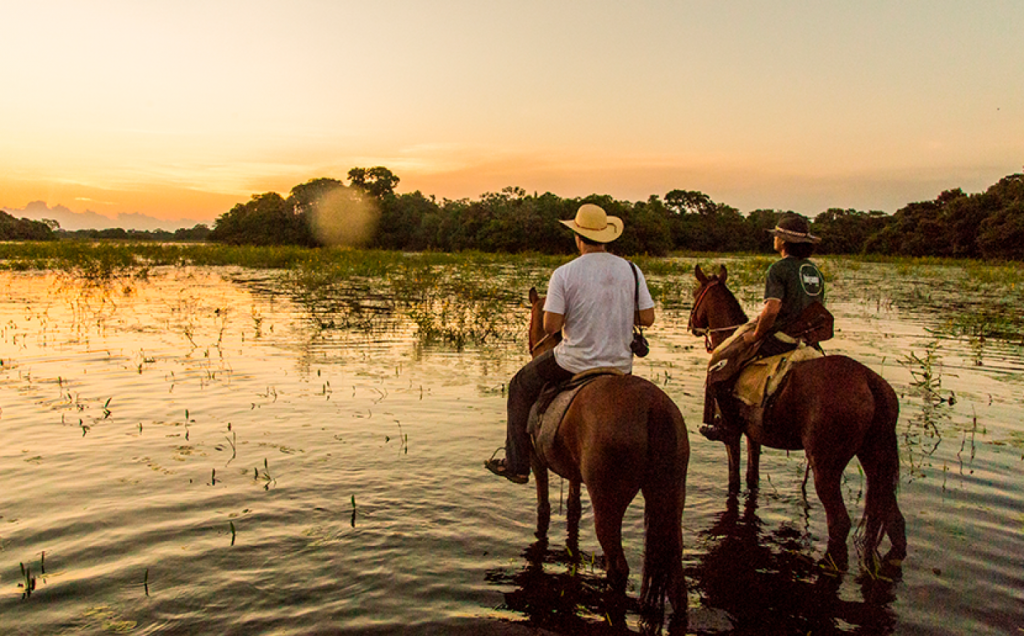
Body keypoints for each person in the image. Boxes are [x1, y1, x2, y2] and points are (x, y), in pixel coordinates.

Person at [484, 203, 656, 483]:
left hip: (573, 361)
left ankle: (516, 465)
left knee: (519, 385)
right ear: (606, 236)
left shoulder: (564, 273)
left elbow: (551, 326)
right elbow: (647, 318)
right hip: (620, 365)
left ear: (578, 238)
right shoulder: (631, 270)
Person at [699, 212, 825, 442]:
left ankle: (725, 425)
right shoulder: (814, 271)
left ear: (784, 241)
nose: (774, 239)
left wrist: (756, 335)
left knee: (718, 365)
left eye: (777, 236)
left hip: (781, 337)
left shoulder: (778, 270)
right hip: (808, 337)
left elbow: (772, 309)